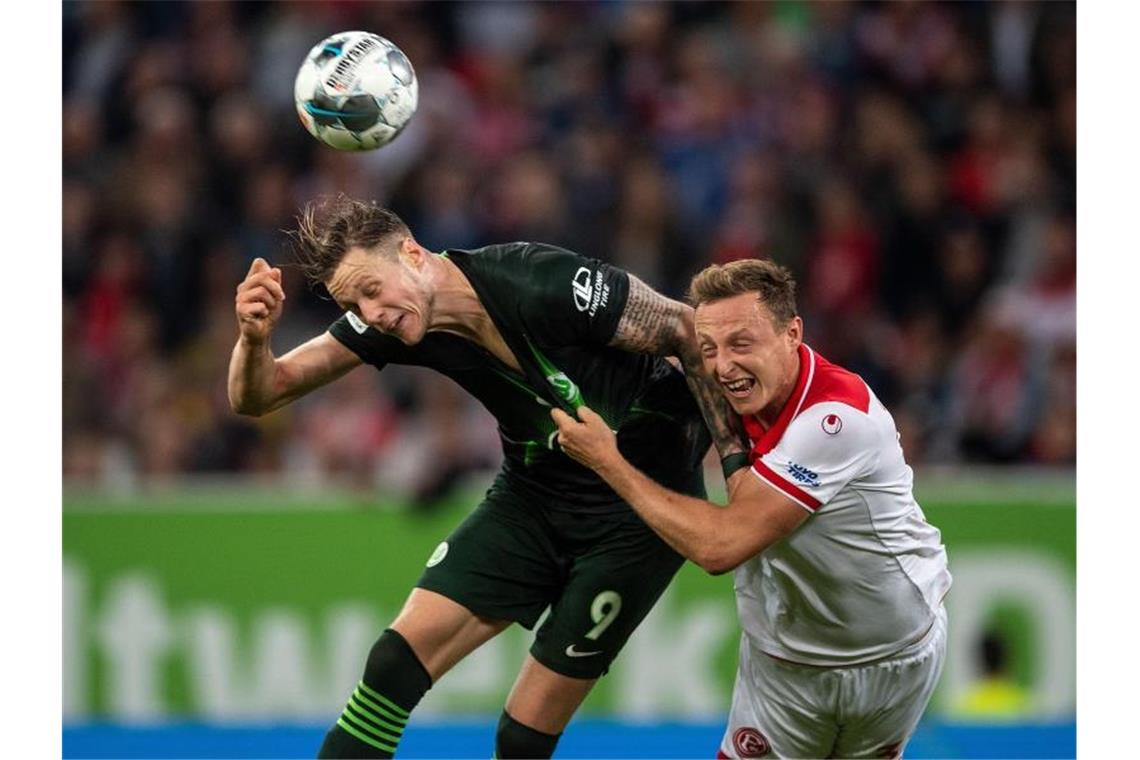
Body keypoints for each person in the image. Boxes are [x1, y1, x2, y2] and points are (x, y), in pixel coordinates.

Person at [227, 194, 743, 759]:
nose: (370, 314)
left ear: (413, 254)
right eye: (356, 303)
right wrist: (254, 339)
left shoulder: (542, 282)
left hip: (638, 513)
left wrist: (738, 469)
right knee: (394, 662)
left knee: (521, 737)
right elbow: (260, 395)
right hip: (535, 496)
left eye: (372, 290)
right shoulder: (394, 320)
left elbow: (686, 327)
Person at [553, 258, 952, 759]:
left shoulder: (835, 419)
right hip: (783, 663)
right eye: (711, 350)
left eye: (742, 343)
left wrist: (607, 461)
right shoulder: (739, 390)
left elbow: (721, 547)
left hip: (890, 656)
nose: (723, 366)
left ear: (792, 333)